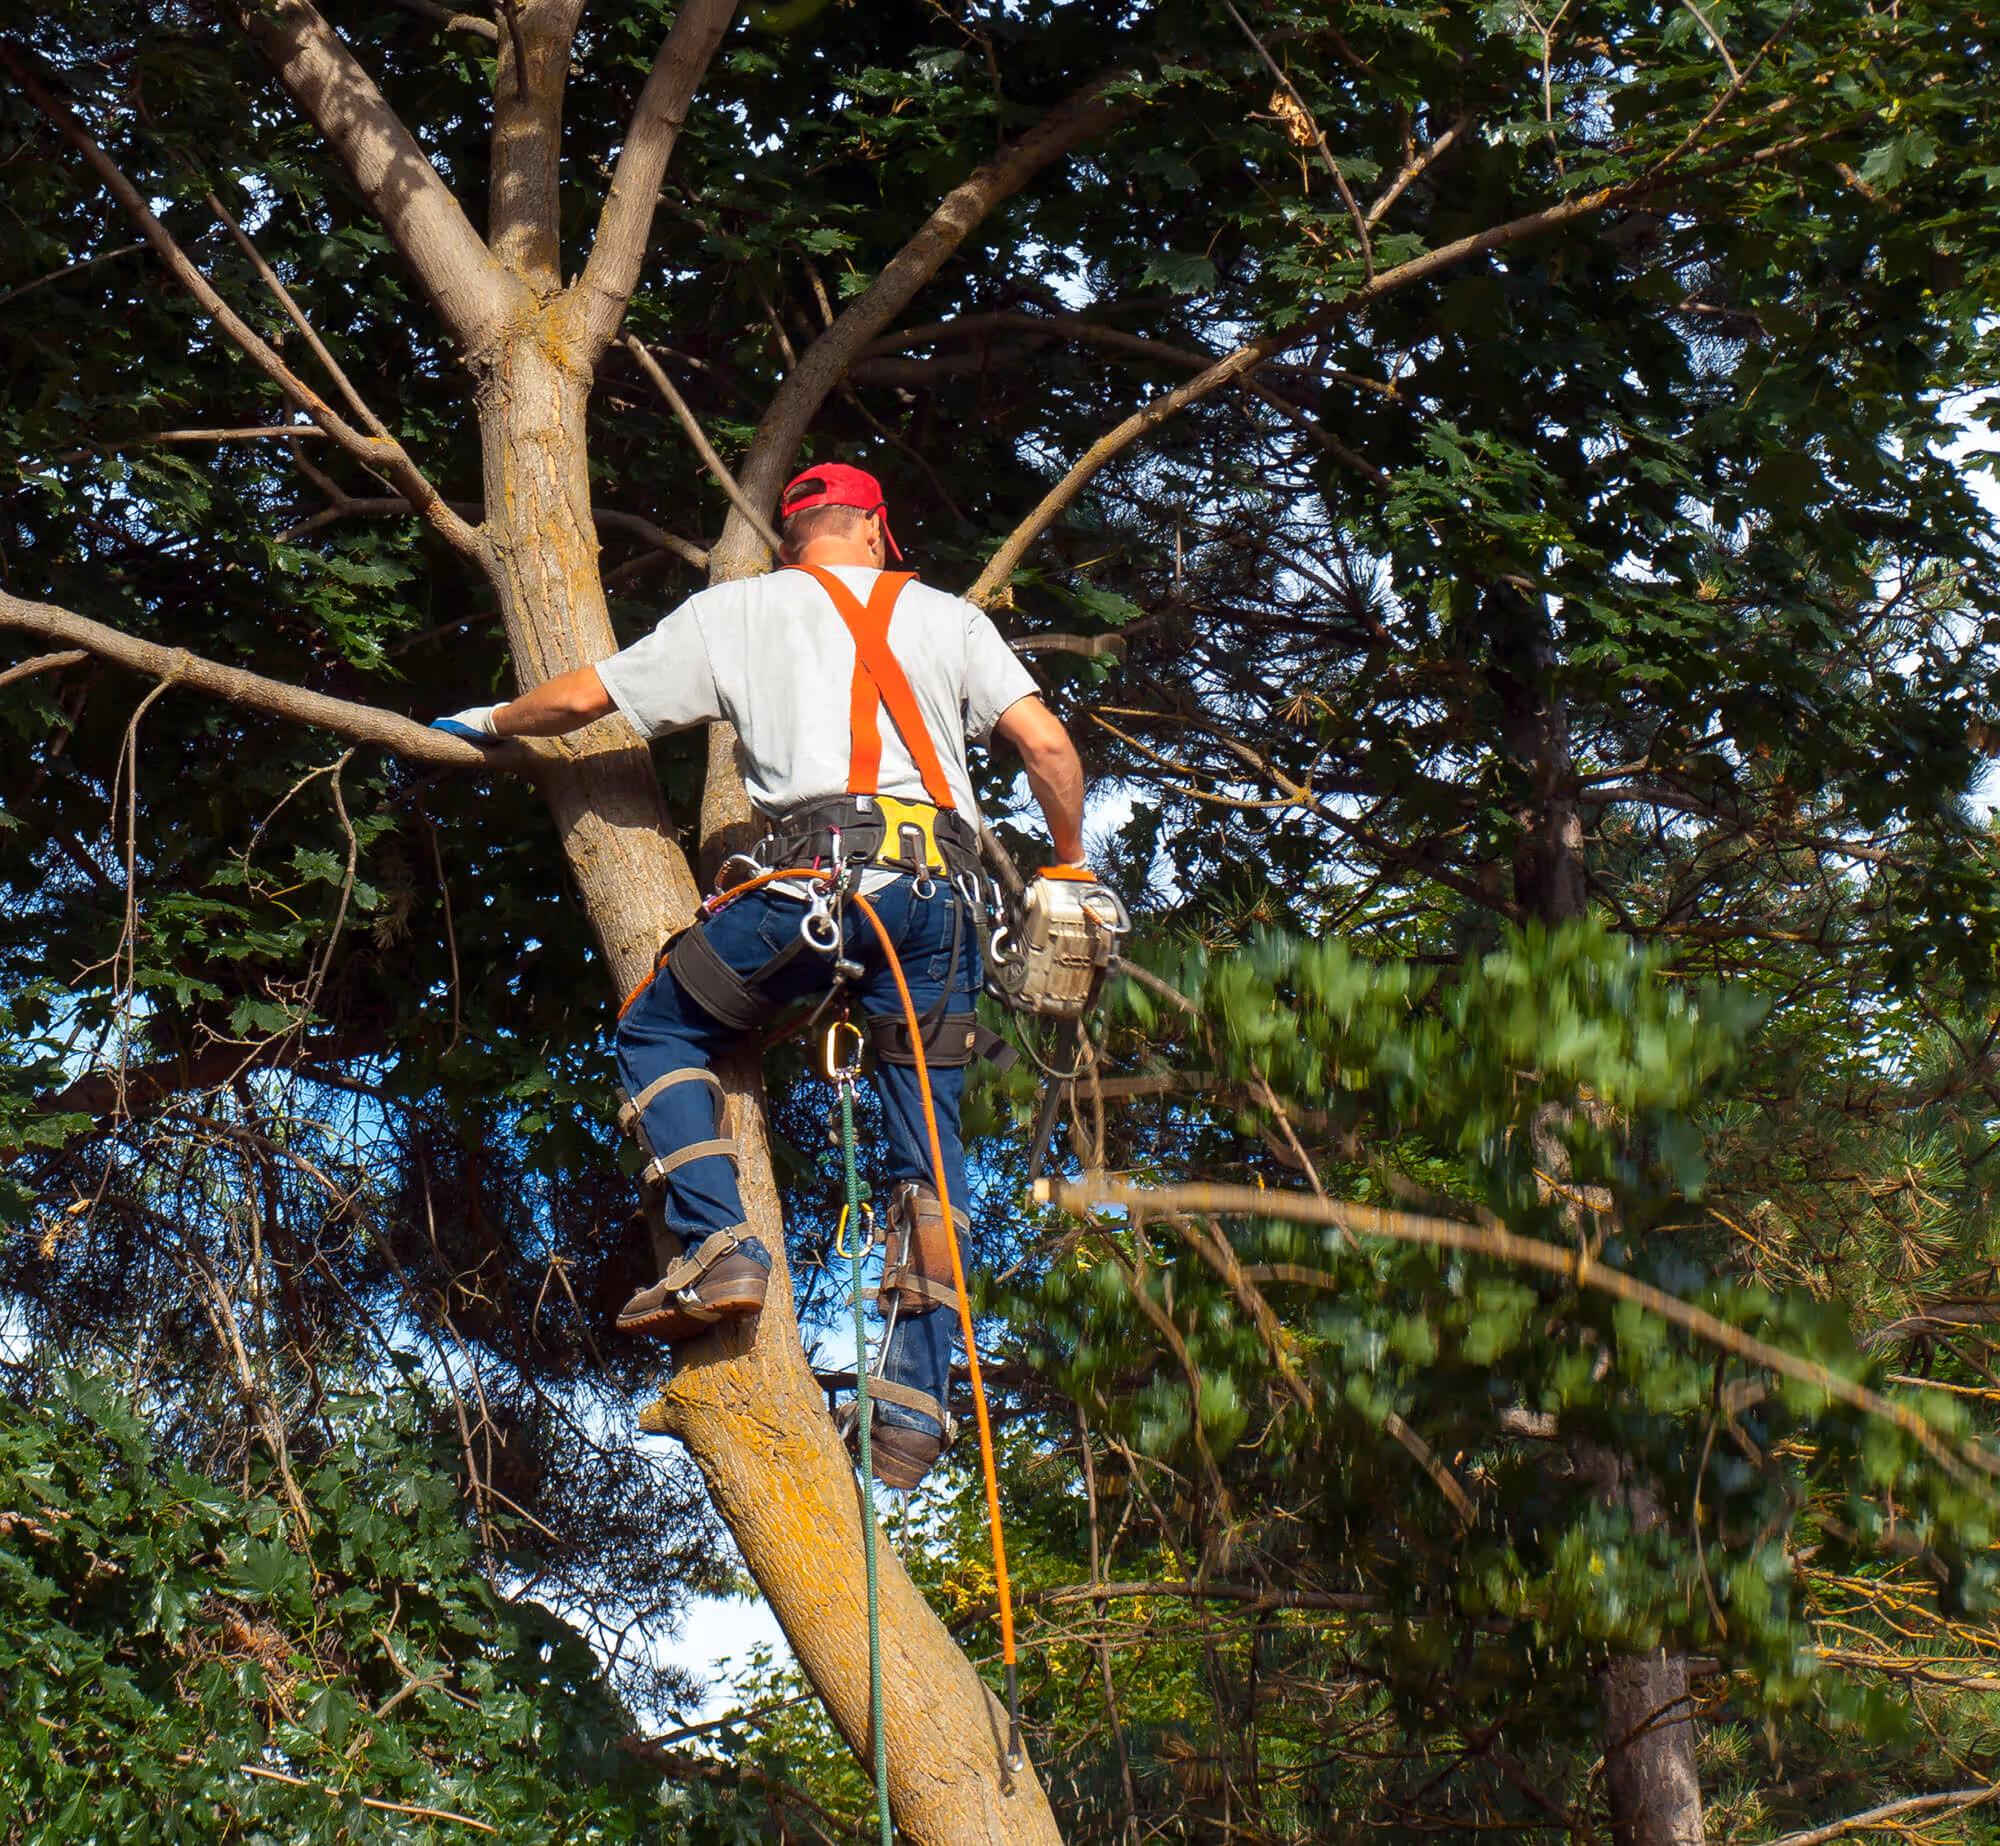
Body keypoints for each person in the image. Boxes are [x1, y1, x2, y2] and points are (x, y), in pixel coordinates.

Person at [431, 462, 1089, 1490]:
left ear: (792, 541)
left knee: (659, 1028)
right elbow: (1044, 743)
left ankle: (719, 1247)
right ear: (877, 529)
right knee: (927, 1152)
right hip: (942, 908)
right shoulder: (948, 618)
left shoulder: (729, 613)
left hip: (816, 887)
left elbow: (582, 699)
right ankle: (914, 1405)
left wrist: (489, 721)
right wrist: (1068, 862)